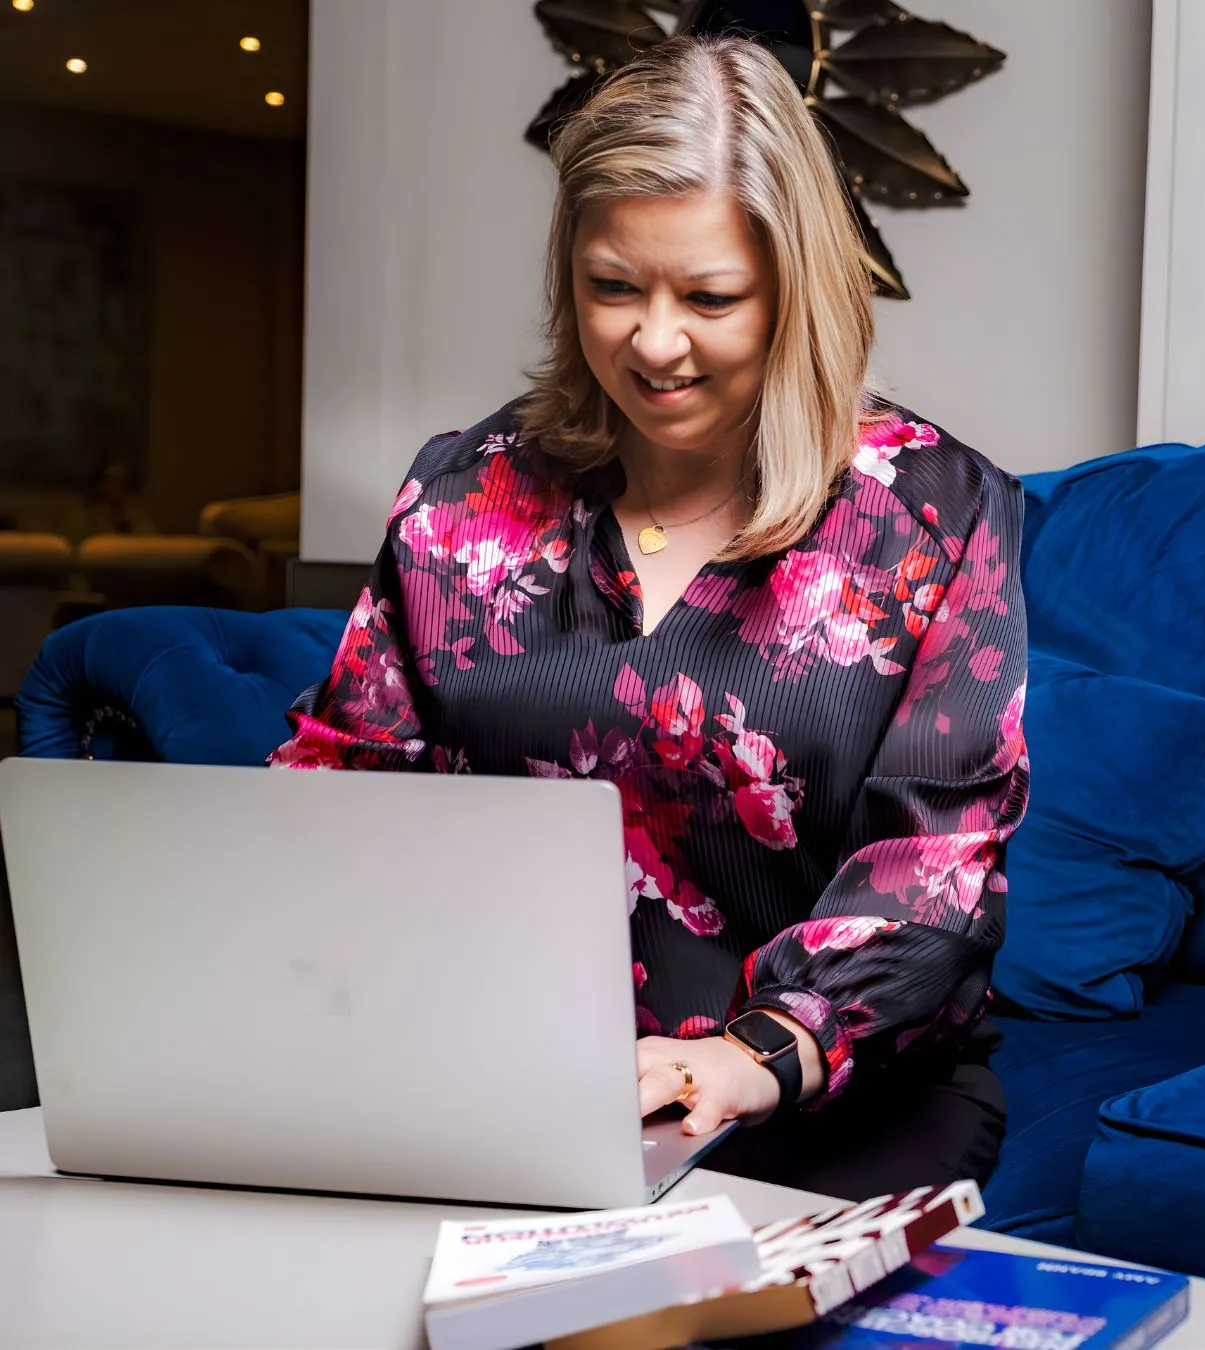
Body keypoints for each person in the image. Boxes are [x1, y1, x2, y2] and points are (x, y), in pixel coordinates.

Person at [270, 35, 1028, 1199]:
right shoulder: (463, 491)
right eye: (611, 287)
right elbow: (348, 779)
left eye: (710, 297)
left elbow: (936, 860)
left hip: (819, 1106)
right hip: (496, 1086)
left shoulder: (931, 512)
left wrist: (756, 1052)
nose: (653, 343)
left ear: (795, 289)